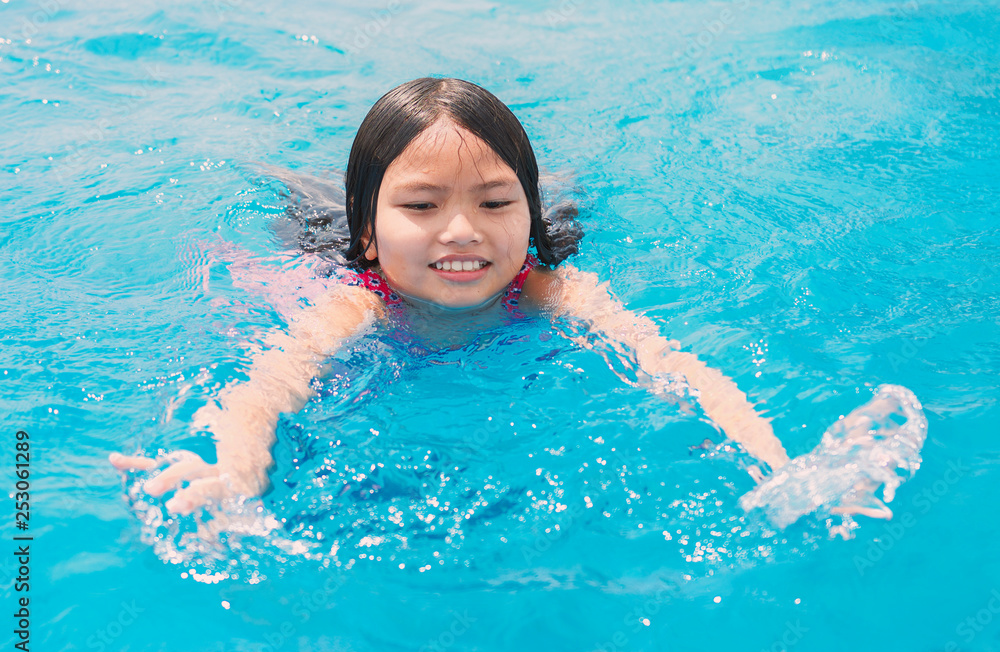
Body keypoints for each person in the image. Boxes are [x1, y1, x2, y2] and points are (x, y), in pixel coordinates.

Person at [109, 77, 893, 523]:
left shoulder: (549, 287)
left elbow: (673, 365)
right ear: (375, 236)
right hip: (326, 240)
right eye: (421, 207)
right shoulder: (358, 305)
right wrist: (237, 470)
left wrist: (779, 463)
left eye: (493, 203)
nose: (462, 233)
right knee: (290, 219)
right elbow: (268, 386)